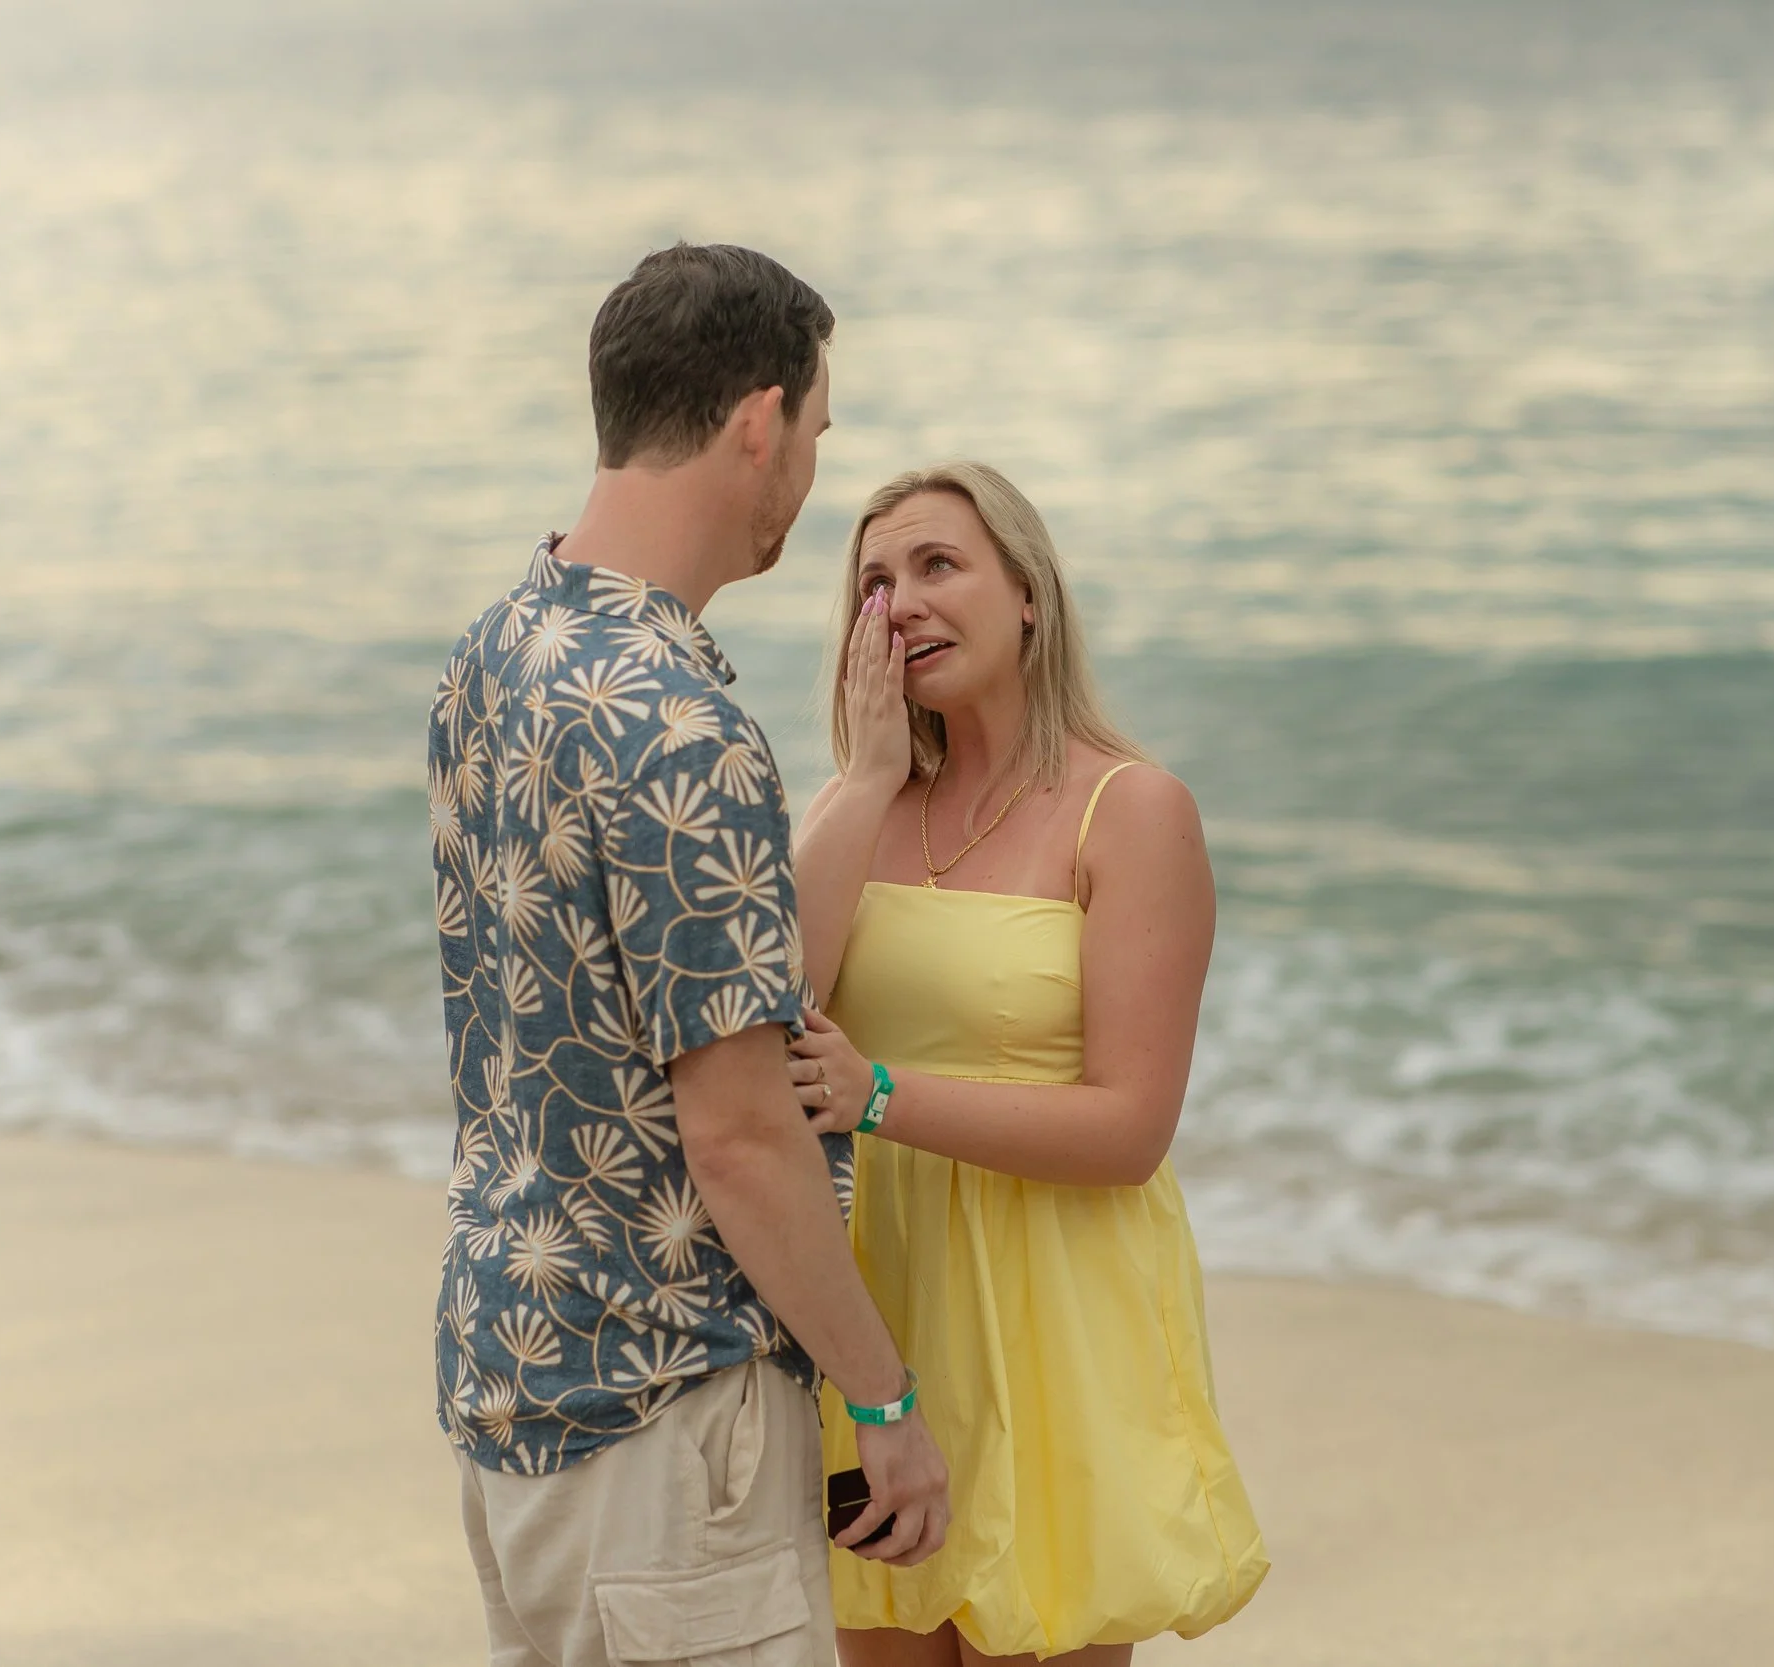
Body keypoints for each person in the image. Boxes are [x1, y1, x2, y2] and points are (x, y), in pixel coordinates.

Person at [427, 244, 952, 1667]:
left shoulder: (499, 651)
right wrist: (885, 1403)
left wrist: (866, 785)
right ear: (757, 421)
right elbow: (737, 1136)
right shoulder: (680, 725)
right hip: (672, 1416)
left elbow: (663, 979)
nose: (810, 481)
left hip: (516, 1377)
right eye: (819, 438)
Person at [785, 462, 1270, 1665]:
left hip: (1058, 1309)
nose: (899, 604)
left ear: (1029, 596)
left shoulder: (1132, 807)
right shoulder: (863, 805)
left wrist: (880, 1093)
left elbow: (1128, 1128)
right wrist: (867, 776)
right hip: (878, 1314)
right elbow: (768, 1010)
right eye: (874, 583)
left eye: (938, 566)